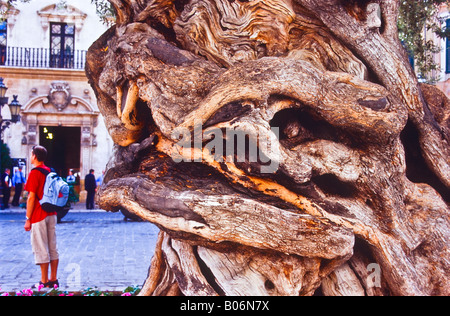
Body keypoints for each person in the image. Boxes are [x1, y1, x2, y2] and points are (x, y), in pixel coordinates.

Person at [24, 145, 59, 289]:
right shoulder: (51, 171)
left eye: (31, 154)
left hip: (39, 215)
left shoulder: (34, 173)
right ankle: (53, 279)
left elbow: (31, 198)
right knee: (52, 247)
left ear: (34, 156)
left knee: (40, 247)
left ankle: (44, 281)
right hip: (52, 213)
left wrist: (27, 218)